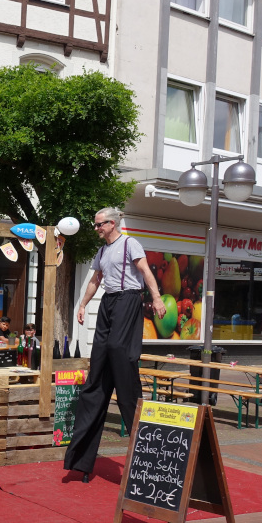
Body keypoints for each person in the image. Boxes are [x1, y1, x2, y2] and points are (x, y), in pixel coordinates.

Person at [64, 207, 166, 483]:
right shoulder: (102, 252)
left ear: (112, 223)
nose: (96, 228)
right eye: (95, 224)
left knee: (119, 351)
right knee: (99, 365)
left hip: (129, 299)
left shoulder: (130, 244)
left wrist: (156, 298)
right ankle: (82, 461)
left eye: (99, 224)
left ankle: (148, 457)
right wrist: (82, 304)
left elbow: (145, 271)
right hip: (108, 302)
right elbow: (95, 280)